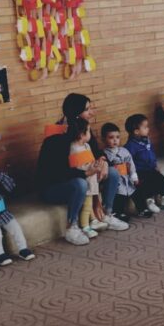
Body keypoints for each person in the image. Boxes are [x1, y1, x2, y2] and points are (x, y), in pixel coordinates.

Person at [37, 93, 129, 245]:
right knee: (80, 183)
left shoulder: (83, 129)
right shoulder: (56, 139)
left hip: (82, 176)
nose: (91, 113)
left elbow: (96, 151)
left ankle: (106, 214)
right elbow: (57, 173)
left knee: (112, 172)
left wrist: (103, 161)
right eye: (87, 109)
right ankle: (72, 227)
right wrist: (86, 173)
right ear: (76, 113)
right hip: (55, 187)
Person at [124, 114, 164, 213]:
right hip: (140, 171)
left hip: (151, 168)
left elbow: (152, 153)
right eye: (145, 127)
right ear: (136, 131)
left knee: (160, 178)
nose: (148, 129)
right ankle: (149, 201)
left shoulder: (147, 140)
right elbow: (128, 160)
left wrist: (155, 165)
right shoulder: (131, 145)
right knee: (147, 183)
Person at [68, 119, 103, 239]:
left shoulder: (87, 145)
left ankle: (92, 221)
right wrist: (91, 168)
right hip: (86, 180)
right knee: (87, 205)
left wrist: (96, 165)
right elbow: (77, 167)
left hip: (92, 178)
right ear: (82, 134)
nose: (90, 133)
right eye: (88, 131)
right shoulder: (74, 148)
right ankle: (85, 226)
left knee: (91, 202)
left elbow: (91, 160)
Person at [101, 122, 142, 219]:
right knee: (119, 196)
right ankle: (119, 213)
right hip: (117, 181)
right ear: (104, 139)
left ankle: (142, 208)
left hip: (127, 179)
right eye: (111, 138)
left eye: (117, 137)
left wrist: (134, 177)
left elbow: (130, 164)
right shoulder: (104, 153)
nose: (115, 140)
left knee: (136, 191)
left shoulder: (124, 151)